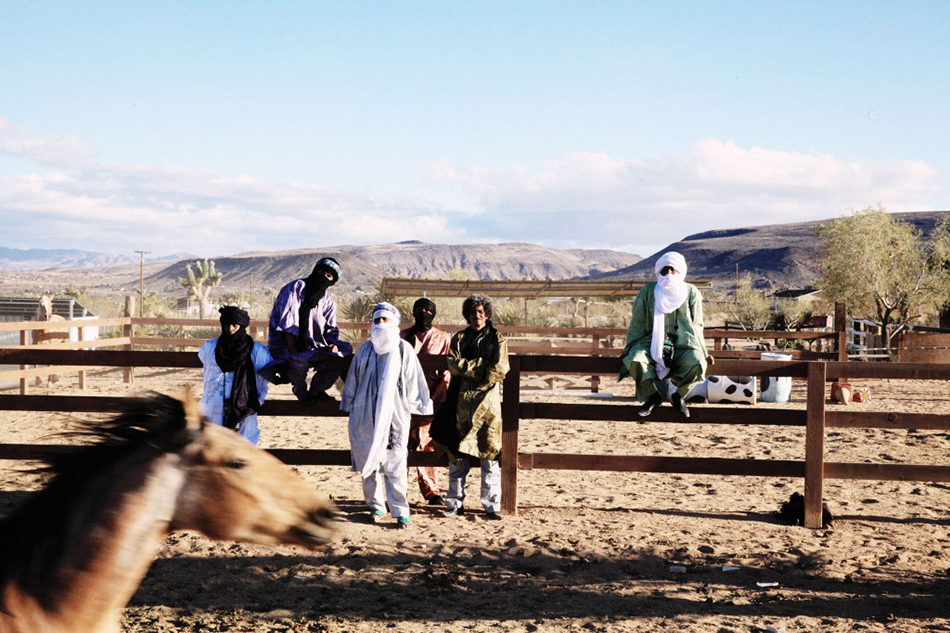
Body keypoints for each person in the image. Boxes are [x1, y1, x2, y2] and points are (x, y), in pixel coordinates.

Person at [341, 302, 433, 529]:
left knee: (395, 461)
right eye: (377, 320)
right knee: (368, 458)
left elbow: (413, 381)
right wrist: (349, 402)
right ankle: (376, 507)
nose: (381, 324)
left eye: (386, 320)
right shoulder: (364, 350)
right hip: (364, 413)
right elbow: (353, 378)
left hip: (395, 414)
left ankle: (400, 511)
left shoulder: (403, 349)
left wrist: (415, 406)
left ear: (394, 323)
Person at [431, 294, 509, 520]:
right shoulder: (459, 338)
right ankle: (454, 504)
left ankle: (492, 506)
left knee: (489, 454)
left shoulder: (498, 339)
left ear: (487, 314)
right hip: (460, 404)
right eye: (473, 312)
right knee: (457, 457)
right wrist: (480, 367)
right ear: (467, 314)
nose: (477, 316)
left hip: (488, 407)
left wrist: (474, 376)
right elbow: (453, 364)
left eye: (481, 312)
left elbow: (500, 368)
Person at [619, 251, 711, 419]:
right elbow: (637, 322)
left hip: (684, 343)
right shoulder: (648, 291)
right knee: (635, 359)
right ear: (658, 272)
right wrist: (630, 347)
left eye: (672, 270)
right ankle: (653, 396)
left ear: (680, 271)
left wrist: (704, 353)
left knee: (697, 363)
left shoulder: (691, 292)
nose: (668, 273)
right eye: (664, 270)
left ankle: (679, 395)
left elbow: (697, 325)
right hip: (650, 341)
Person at [265, 257, 353, 404]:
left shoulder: (328, 301)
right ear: (315, 271)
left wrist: (333, 344)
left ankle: (316, 390)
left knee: (344, 354)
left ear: (332, 281)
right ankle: (301, 392)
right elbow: (288, 326)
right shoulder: (295, 288)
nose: (324, 277)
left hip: (312, 348)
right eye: (322, 272)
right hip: (286, 347)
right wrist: (296, 352)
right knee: (297, 361)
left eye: (329, 276)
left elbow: (331, 329)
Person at [400, 297, 451, 506]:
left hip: (429, 399)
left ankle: (431, 492)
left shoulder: (441, 338)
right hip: (403, 399)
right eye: (419, 310)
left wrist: (436, 399)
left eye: (428, 311)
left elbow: (446, 371)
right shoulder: (402, 336)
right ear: (413, 312)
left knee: (425, 444)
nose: (424, 314)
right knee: (400, 444)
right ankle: (398, 490)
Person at [198, 305, 274, 445]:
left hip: (244, 407)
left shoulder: (257, 351)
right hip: (213, 407)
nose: (231, 329)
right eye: (227, 324)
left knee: (243, 448)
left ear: (242, 325)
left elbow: (267, 373)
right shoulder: (210, 348)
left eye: (235, 325)